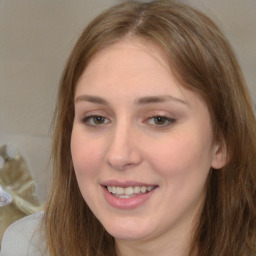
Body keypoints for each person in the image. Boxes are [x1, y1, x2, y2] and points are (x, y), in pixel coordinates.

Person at [1, 0, 256, 255]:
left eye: (159, 119)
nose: (118, 155)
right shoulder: (27, 246)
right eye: (97, 119)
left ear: (222, 142)